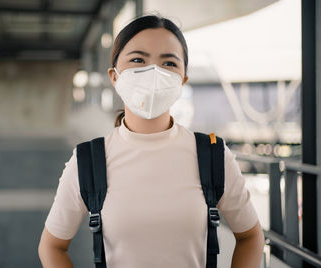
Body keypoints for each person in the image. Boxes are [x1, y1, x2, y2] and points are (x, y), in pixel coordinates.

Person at [38, 15, 265, 268]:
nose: (154, 73)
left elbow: (250, 236)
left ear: (182, 80)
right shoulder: (89, 160)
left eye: (169, 63)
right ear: (114, 76)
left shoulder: (212, 155)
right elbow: (52, 246)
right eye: (138, 60)